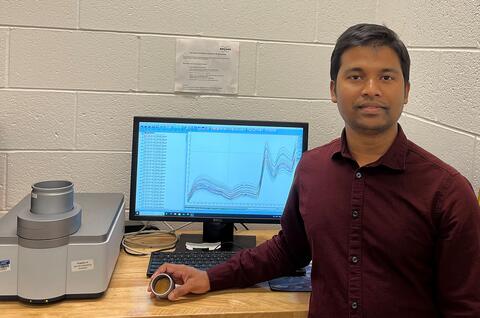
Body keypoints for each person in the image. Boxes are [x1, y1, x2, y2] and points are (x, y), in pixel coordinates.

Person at [149, 24, 480, 317]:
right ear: (334, 90)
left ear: (406, 92)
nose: (370, 89)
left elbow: (465, 306)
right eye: (355, 76)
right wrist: (210, 277)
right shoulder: (311, 169)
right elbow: (289, 249)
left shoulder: (448, 193)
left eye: (386, 77)